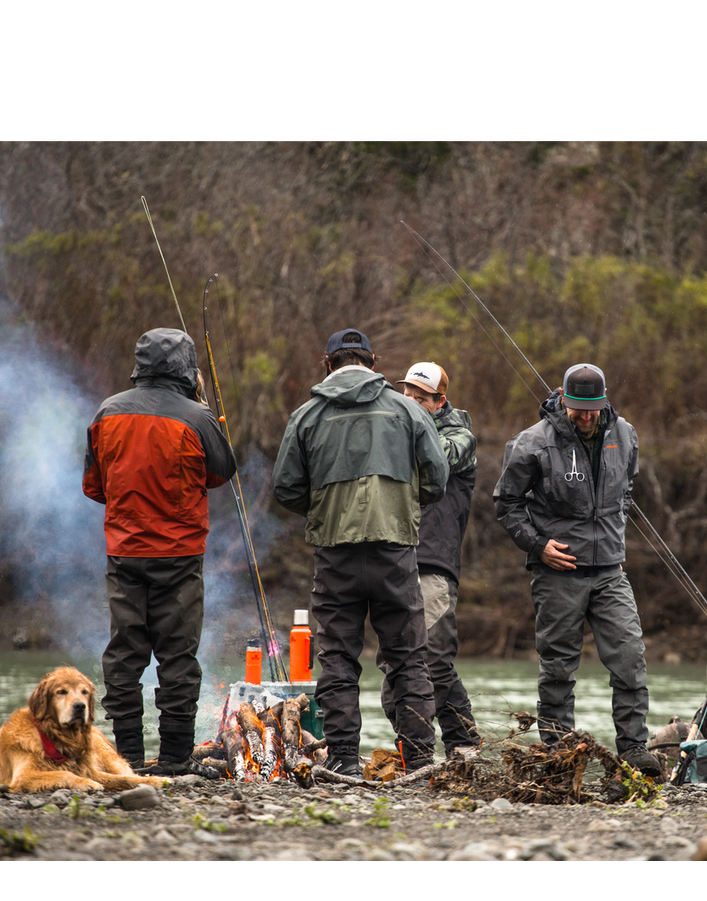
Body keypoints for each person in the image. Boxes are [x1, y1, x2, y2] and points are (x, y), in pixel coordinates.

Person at [272, 329, 449, 778]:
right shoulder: (409, 409)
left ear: (326, 363)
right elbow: (437, 479)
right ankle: (420, 760)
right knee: (408, 655)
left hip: (335, 553)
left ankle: (344, 760)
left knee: (337, 656)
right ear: (373, 361)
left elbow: (286, 488)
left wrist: (326, 508)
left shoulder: (306, 415)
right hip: (395, 550)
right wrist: (402, 506)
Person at [493, 363, 661, 775]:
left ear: (604, 402)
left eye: (592, 408)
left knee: (629, 658)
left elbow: (627, 490)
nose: (585, 417)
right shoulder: (531, 443)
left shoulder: (625, 434)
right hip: (557, 571)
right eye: (577, 409)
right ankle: (558, 755)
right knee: (557, 667)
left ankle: (634, 752)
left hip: (609, 571)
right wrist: (538, 545)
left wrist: (614, 540)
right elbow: (506, 505)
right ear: (563, 401)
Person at [83, 327, 237, 774]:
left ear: (140, 364)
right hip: (180, 555)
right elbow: (222, 473)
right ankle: (173, 758)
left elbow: (94, 487)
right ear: (187, 368)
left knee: (124, 653)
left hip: (124, 552)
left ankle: (126, 756)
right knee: (177, 655)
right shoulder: (198, 417)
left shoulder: (106, 412)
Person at [378, 362, 481, 756]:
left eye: (421, 399)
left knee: (433, 660)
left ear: (439, 402)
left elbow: (435, 459)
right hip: (394, 557)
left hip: (434, 562)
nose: (411, 403)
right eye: (407, 395)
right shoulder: (394, 430)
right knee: (394, 666)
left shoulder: (461, 436)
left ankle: (463, 746)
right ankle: (414, 753)